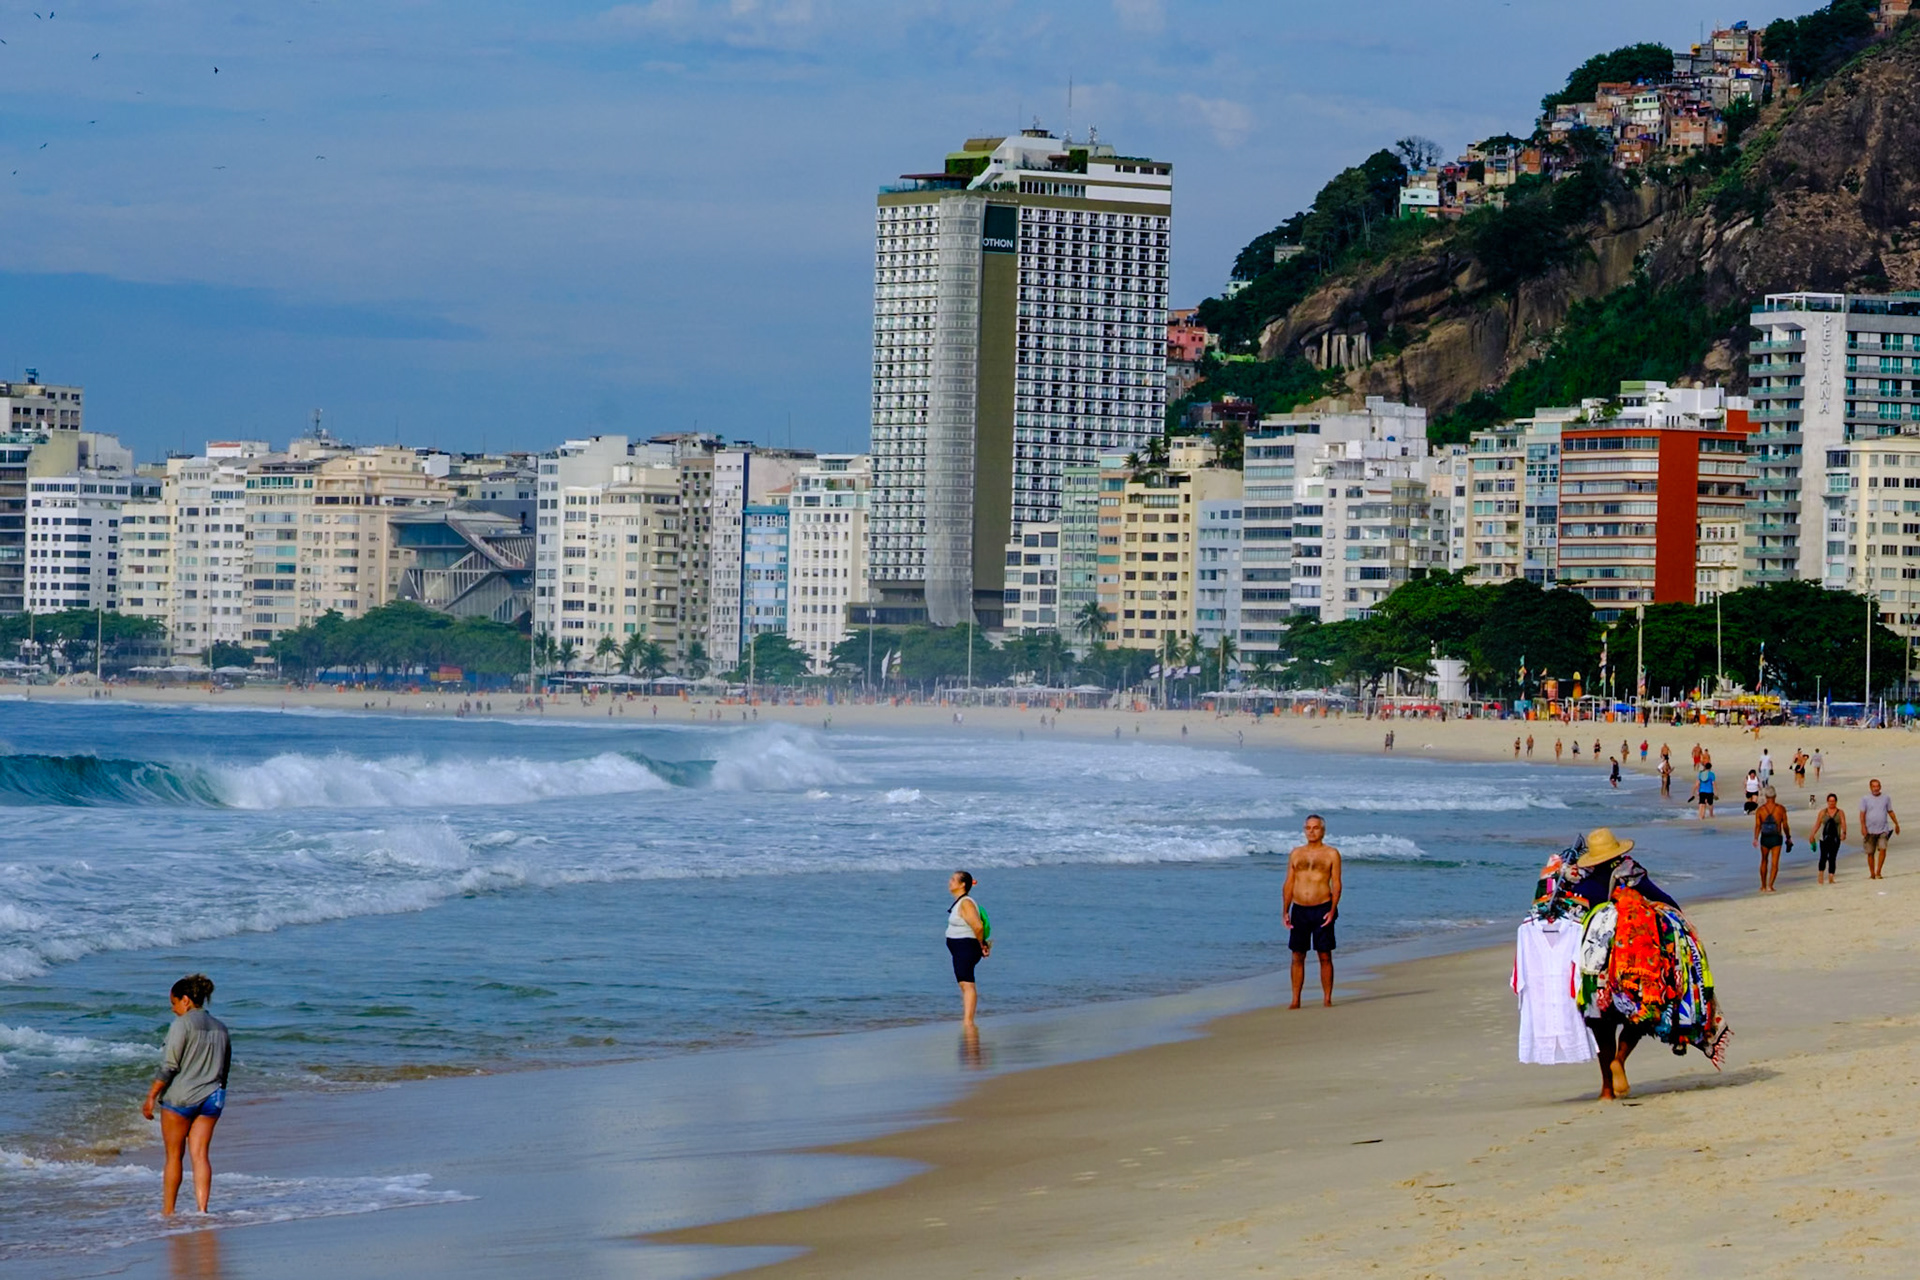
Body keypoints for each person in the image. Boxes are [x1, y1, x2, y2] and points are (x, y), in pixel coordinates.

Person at [141, 974, 231, 1216]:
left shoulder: (181, 1025)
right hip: (212, 1097)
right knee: (200, 1155)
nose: (173, 1009)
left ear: (186, 1000)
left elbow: (170, 1066)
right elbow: (224, 1069)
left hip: (181, 1098)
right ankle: (202, 1210)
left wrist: (151, 1096)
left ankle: (169, 1212)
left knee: (174, 1156)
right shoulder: (221, 1027)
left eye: (174, 1003)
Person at [1283, 814, 1342, 1009]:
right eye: (1308, 828)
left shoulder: (1331, 854)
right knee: (1297, 955)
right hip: (1299, 909)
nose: (1311, 831)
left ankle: (1327, 998)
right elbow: (1289, 883)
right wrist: (1285, 910)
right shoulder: (1296, 853)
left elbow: (1337, 883)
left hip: (1322, 908)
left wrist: (1333, 910)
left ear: (1323, 831)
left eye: (1316, 828)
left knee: (1324, 955)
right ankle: (1295, 999)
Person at [945, 871, 991, 1026]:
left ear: (962, 884)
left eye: (953, 879)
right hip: (961, 948)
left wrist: (982, 944)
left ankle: (968, 1021)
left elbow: (978, 926)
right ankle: (967, 1019)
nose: (950, 882)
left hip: (966, 947)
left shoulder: (966, 903)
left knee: (967, 983)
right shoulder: (961, 902)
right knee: (964, 983)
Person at [1861, 779, 1901, 880]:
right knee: (1870, 852)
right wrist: (1863, 827)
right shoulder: (1865, 799)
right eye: (1874, 786)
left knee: (1883, 849)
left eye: (1877, 786)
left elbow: (1890, 811)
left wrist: (1896, 824)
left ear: (1880, 787)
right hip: (1870, 829)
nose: (1876, 788)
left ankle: (1878, 872)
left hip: (1883, 829)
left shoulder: (1886, 798)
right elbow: (1862, 814)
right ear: (1870, 787)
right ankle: (1872, 873)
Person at [1752, 785, 1790, 893]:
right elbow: (1785, 825)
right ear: (1775, 796)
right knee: (1774, 863)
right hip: (1776, 837)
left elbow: (1758, 825)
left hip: (1765, 837)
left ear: (1765, 796)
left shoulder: (1760, 810)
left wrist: (1755, 838)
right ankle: (1770, 886)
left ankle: (1763, 886)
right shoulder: (1780, 809)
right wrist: (1788, 837)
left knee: (1764, 860)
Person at [1813, 793, 1847, 885]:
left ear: (1836, 802)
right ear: (1827, 802)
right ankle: (1820, 875)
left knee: (1832, 857)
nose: (1832, 803)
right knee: (1823, 857)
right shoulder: (1822, 812)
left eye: (1833, 801)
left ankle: (1831, 877)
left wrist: (1844, 833)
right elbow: (1817, 824)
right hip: (1824, 838)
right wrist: (1812, 834)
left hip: (1835, 838)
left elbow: (1843, 823)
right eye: (1830, 801)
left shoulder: (1840, 812)